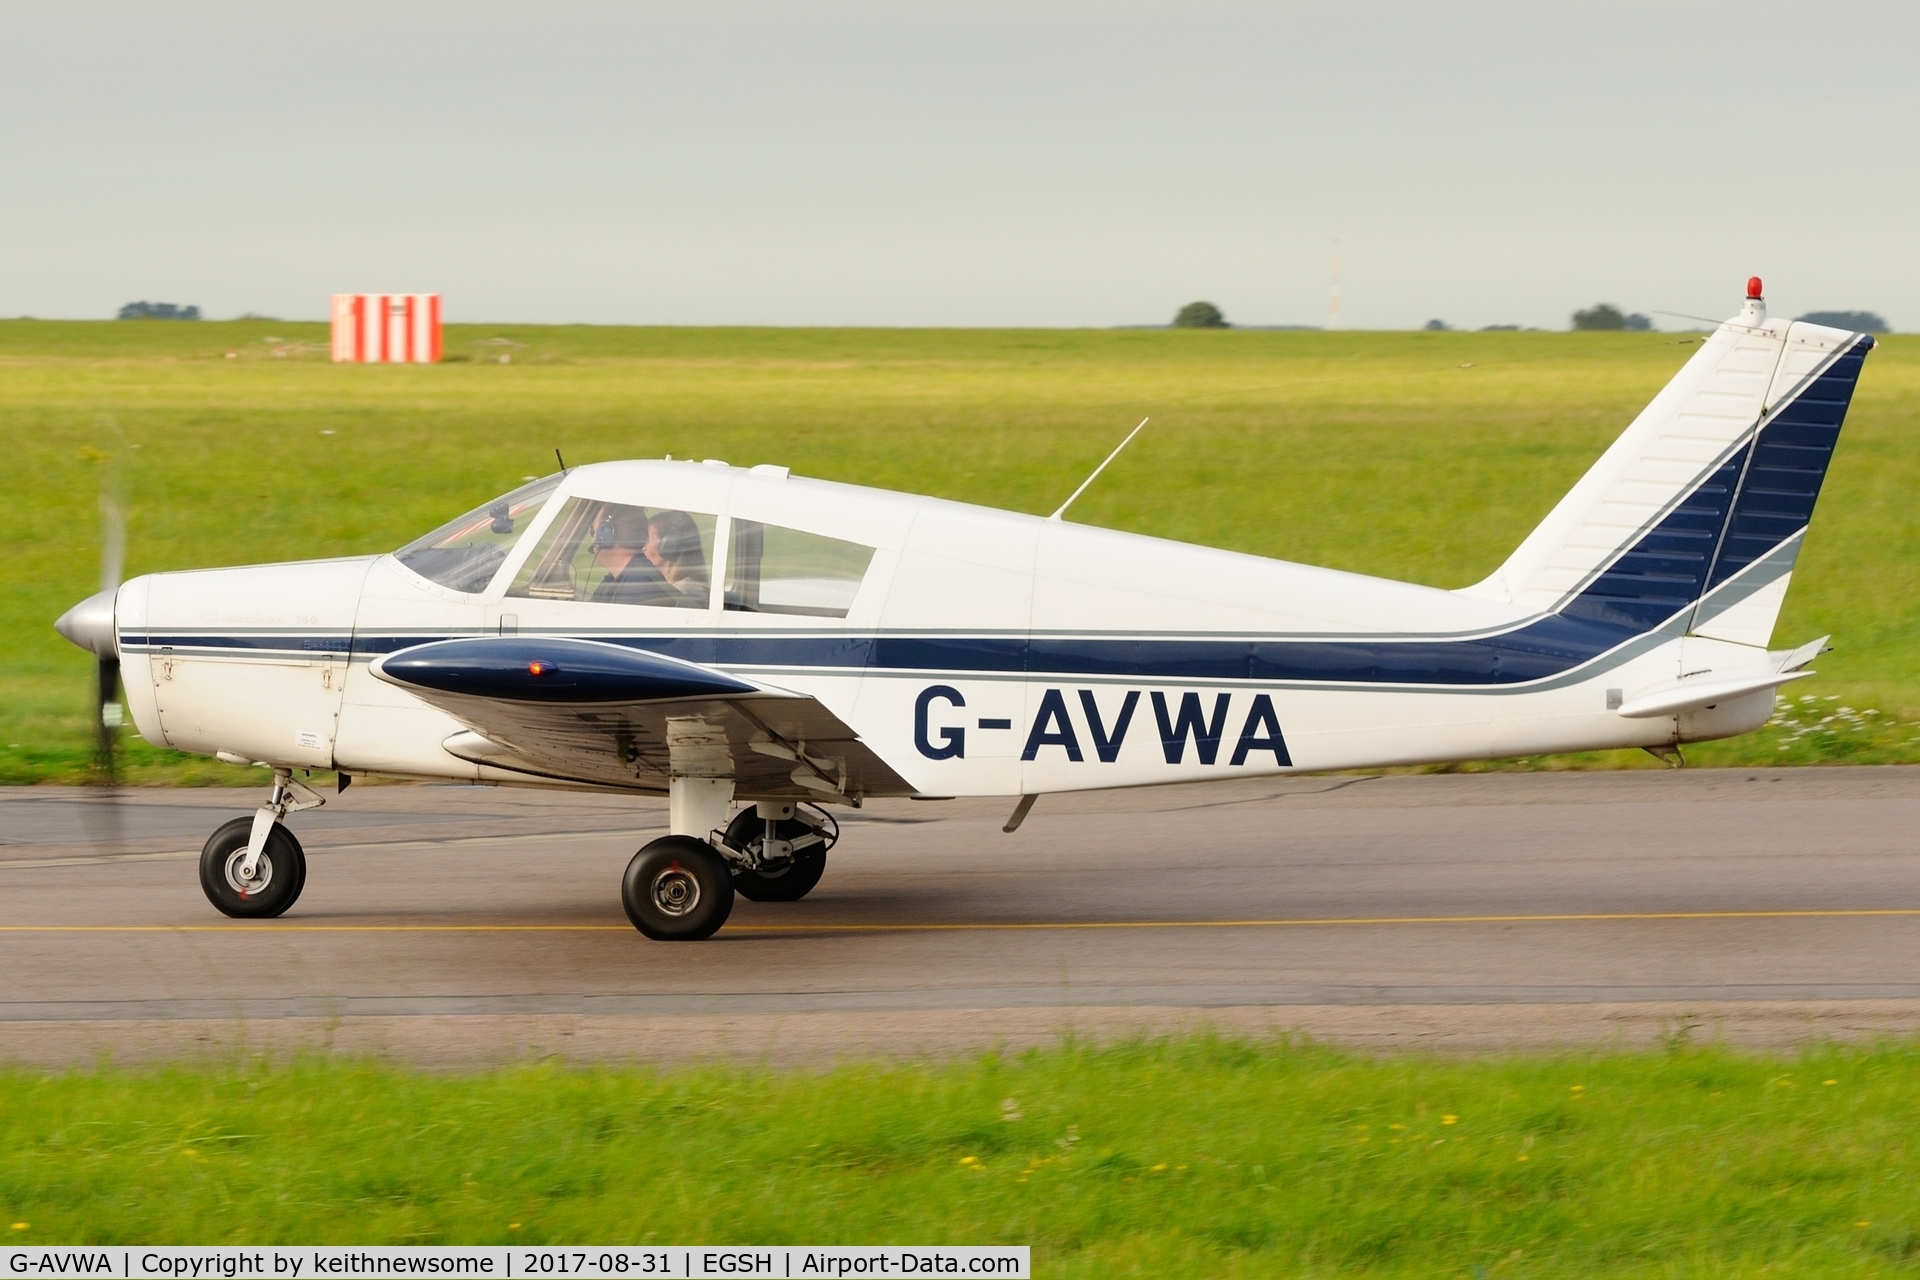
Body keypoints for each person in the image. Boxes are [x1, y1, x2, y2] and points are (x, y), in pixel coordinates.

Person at [588, 506, 673, 605]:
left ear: (606, 535)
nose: (592, 539)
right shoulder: (614, 579)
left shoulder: (638, 586)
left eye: (593, 531)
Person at [642, 509, 711, 605]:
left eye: (647, 539)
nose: (643, 547)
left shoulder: (686, 591)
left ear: (668, 546)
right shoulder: (672, 586)